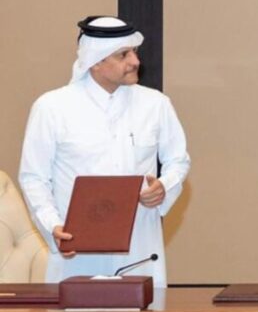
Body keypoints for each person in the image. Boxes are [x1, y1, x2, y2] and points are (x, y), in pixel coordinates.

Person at [19, 15, 191, 287]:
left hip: (140, 249)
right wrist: (53, 226)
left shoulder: (156, 104)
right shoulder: (52, 108)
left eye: (134, 52)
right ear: (96, 62)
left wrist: (164, 187)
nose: (135, 61)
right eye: (123, 55)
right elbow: (33, 177)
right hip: (76, 251)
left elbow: (178, 161)